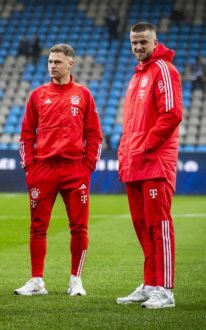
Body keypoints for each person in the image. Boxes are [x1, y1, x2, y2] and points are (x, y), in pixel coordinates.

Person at [15, 44, 102, 296]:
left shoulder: (83, 94)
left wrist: (87, 167)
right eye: (50, 61)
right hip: (43, 170)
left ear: (70, 64)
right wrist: (30, 166)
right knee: (37, 227)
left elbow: (94, 135)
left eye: (58, 62)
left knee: (79, 227)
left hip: (75, 170)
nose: (53, 65)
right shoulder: (38, 95)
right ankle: (36, 280)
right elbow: (26, 133)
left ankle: (76, 280)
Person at [117, 22, 183, 309]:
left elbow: (171, 114)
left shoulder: (164, 70)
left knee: (159, 226)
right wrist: (126, 152)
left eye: (143, 42)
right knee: (143, 228)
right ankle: (151, 282)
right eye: (134, 43)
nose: (138, 48)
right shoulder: (137, 76)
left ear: (156, 42)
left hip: (155, 162)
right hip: (134, 164)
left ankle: (165, 290)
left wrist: (145, 146)